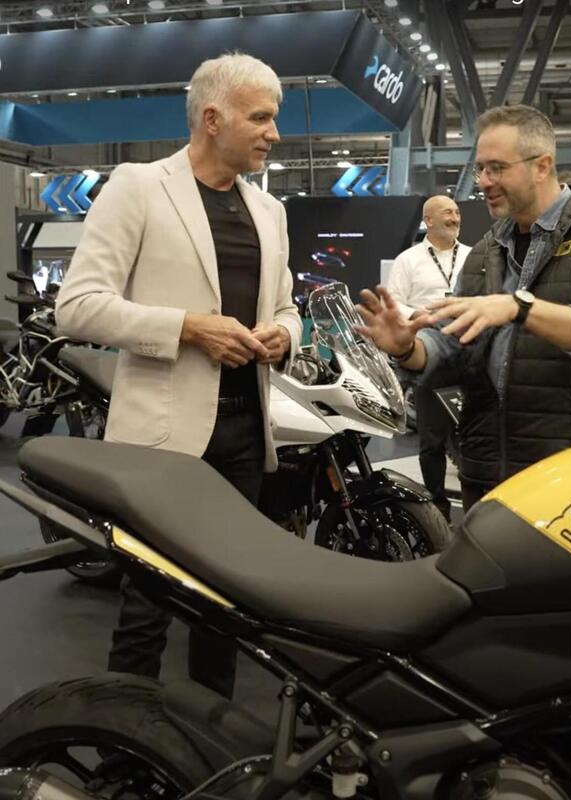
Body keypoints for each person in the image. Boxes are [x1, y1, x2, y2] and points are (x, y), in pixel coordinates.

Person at [55, 52, 302, 698]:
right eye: (261, 118)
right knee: (146, 605)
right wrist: (189, 328)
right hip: (161, 441)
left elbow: (286, 307)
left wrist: (285, 335)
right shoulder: (139, 186)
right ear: (212, 119)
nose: (274, 133)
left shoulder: (269, 211)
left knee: (223, 605)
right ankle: (120, 739)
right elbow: (77, 307)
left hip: (245, 433)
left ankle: (210, 737)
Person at [356, 104, 571, 512]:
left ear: (542, 166)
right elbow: (455, 346)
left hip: (568, 478)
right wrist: (409, 348)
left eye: (497, 169)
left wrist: (519, 307)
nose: (484, 182)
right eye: (480, 169)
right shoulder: (485, 252)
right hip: (485, 470)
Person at [385, 196, 470, 520]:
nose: (455, 217)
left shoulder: (473, 255)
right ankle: (438, 512)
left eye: (457, 212)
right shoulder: (408, 260)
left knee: (475, 435)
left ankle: (478, 510)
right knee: (432, 440)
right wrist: (417, 314)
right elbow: (393, 301)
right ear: (429, 220)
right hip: (428, 354)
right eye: (448, 212)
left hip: (469, 352)